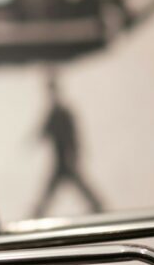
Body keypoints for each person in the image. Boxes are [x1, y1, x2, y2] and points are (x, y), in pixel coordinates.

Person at [33, 70, 105, 217]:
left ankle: (98, 206)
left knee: (70, 185)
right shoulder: (53, 113)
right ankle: (38, 214)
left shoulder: (64, 113)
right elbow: (44, 130)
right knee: (55, 188)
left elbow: (74, 135)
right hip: (59, 159)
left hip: (66, 158)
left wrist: (75, 153)